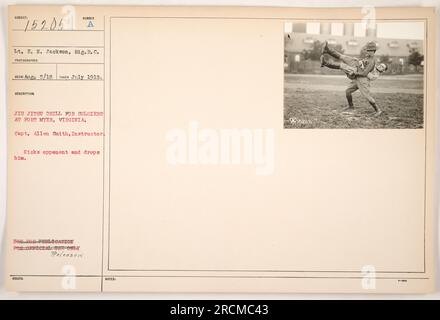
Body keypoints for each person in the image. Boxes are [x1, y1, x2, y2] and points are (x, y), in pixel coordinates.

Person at [321, 41, 384, 116]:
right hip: (357, 72)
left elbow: (364, 73)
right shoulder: (368, 57)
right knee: (348, 91)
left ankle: (378, 110)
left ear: (374, 51)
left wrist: (355, 73)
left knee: (368, 97)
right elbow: (362, 64)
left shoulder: (372, 61)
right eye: (368, 50)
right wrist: (357, 62)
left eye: (370, 50)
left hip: (363, 80)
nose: (368, 51)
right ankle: (327, 50)